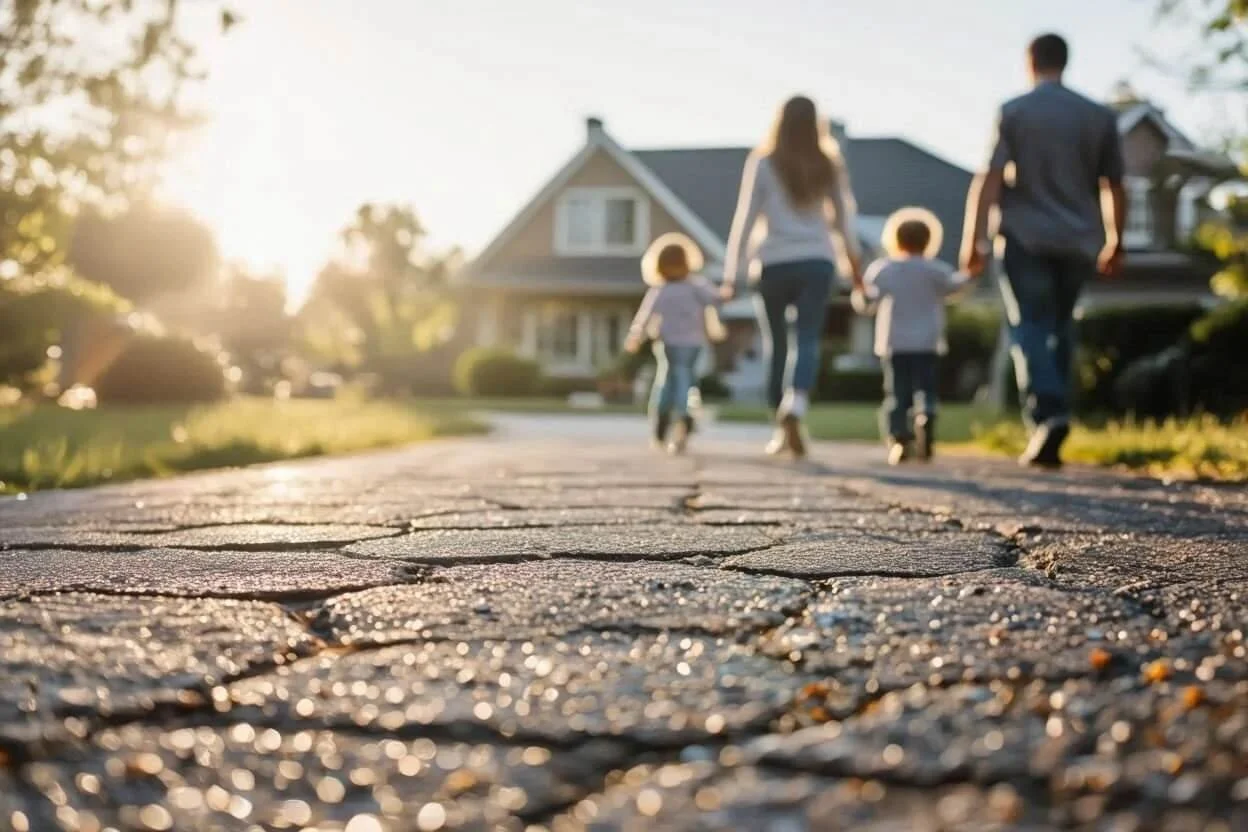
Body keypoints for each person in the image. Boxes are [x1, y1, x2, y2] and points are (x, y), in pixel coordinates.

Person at [962, 33, 1127, 469]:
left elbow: (991, 178)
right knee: (1061, 327)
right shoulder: (1098, 116)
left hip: (1024, 237)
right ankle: (1058, 412)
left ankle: (1048, 414)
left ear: (1029, 63)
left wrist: (973, 241)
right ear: (1065, 62)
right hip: (1078, 239)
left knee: (1029, 326)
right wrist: (1116, 240)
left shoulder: (1015, 111)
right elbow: (1115, 185)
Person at [722, 95, 864, 459]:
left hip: (772, 263)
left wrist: (730, 273)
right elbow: (844, 221)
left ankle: (778, 426)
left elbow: (745, 218)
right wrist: (855, 269)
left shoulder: (764, 162)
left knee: (776, 346)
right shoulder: (828, 162)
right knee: (808, 339)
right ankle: (796, 405)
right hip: (817, 261)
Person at [852, 207, 973, 465]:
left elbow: (868, 303)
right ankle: (926, 416)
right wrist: (972, 269)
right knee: (926, 388)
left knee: (898, 393)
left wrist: (858, 289)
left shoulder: (884, 269)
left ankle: (900, 439)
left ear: (894, 238)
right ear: (929, 240)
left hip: (895, 343)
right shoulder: (936, 270)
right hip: (928, 342)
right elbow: (957, 286)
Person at [624, 233, 720, 454]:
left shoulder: (661, 290)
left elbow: (644, 317)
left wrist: (636, 337)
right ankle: (684, 415)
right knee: (684, 378)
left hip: (670, 344)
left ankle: (667, 420)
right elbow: (716, 298)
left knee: (668, 380)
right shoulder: (696, 286)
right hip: (690, 344)